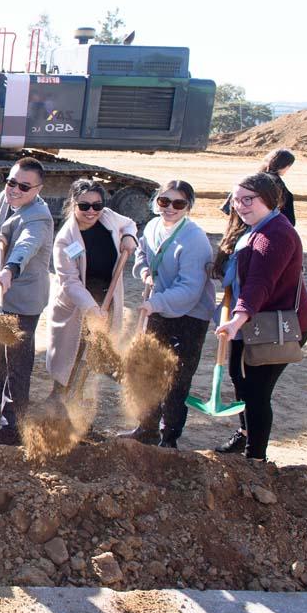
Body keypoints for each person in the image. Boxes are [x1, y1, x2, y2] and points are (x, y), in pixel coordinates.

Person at [213, 172, 307, 461]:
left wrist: (237, 318)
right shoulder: (254, 227)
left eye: (249, 199)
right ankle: (245, 434)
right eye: (236, 200)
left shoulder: (277, 234)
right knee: (239, 376)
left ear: (269, 199)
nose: (241, 206)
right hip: (252, 321)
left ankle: (255, 457)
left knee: (256, 392)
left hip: (279, 326)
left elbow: (261, 282)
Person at [126, 180, 216, 447]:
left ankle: (169, 438)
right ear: (156, 201)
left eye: (179, 203)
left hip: (189, 316)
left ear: (189, 206)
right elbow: (142, 254)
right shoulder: (153, 227)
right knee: (149, 372)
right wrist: (143, 271)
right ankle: (147, 429)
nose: (170, 208)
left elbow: (190, 288)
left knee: (176, 379)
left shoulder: (195, 239)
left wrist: (156, 304)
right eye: (164, 201)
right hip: (160, 306)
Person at [0, 157, 54, 446]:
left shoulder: (39, 217)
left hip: (24, 298)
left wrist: (10, 270)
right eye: (12, 182)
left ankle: (12, 424)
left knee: (18, 362)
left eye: (24, 186)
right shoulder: (5, 197)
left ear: (38, 189)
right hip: (1, 291)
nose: (15, 190)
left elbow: (26, 245)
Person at [45, 179, 137, 396]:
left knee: (92, 352)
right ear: (73, 204)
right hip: (77, 304)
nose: (91, 211)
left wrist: (129, 236)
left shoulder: (108, 217)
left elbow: (129, 223)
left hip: (107, 298)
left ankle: (76, 400)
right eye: (84, 206)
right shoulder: (66, 239)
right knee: (71, 354)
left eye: (97, 205)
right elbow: (70, 281)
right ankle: (58, 400)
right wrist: (91, 308)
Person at [261, 148, 296, 225]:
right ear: (285, 165)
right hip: (267, 229)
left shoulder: (252, 178)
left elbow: (228, 208)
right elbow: (290, 221)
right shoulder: (278, 185)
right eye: (289, 165)